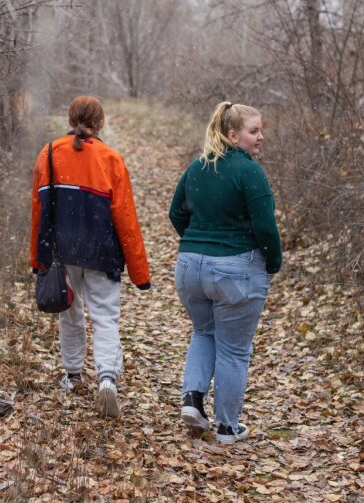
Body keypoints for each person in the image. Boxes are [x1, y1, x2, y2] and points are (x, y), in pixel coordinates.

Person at [30, 95, 151, 418]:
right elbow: (125, 218)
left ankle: (72, 375)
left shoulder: (49, 154)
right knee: (105, 316)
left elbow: (38, 210)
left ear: (71, 121)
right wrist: (140, 273)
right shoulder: (111, 159)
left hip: (62, 248)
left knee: (69, 314)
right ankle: (107, 379)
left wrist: (36, 257)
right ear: (100, 123)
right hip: (101, 251)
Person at [168, 101, 282, 444]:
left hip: (190, 268)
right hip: (234, 270)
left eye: (261, 130)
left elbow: (177, 214)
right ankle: (228, 428)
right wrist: (272, 262)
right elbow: (265, 227)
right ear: (232, 135)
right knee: (234, 350)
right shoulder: (249, 172)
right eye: (253, 131)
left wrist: (200, 240)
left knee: (204, 331)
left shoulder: (197, 168)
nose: (260, 137)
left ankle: (193, 399)